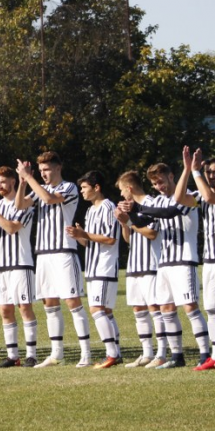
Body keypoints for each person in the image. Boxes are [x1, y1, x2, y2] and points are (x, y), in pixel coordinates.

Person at [119, 147, 210, 369]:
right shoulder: (158, 201)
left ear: (171, 176)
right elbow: (144, 223)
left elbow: (169, 211)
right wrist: (129, 216)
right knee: (167, 309)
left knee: (190, 307)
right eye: (155, 184)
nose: (159, 186)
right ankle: (177, 356)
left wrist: (138, 207)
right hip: (164, 262)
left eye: (161, 181)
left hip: (184, 260)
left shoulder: (190, 196)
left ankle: (204, 353)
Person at [16, 152, 87, 368]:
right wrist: (22, 183)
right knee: (49, 303)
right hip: (44, 254)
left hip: (64, 251)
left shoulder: (69, 187)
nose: (43, 174)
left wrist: (29, 178)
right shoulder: (39, 188)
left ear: (58, 168)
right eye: (40, 170)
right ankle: (57, 354)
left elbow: (49, 199)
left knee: (72, 301)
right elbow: (19, 205)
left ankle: (86, 353)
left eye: (46, 169)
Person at [0, 166, 37, 368]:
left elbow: (12, 228)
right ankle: (13, 356)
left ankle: (31, 354)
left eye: (3, 182)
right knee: (5, 310)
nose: (0, 186)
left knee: (24, 308)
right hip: (0, 266)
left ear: (13, 181)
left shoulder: (24, 204)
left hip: (21, 263)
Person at [66, 171, 121, 369]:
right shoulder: (90, 210)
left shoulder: (108, 207)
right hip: (93, 267)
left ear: (96, 187)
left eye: (84, 187)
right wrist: (79, 236)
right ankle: (116, 352)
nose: (81, 191)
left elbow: (110, 239)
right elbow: (90, 242)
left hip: (104, 266)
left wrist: (85, 234)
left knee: (96, 309)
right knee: (105, 311)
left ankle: (111, 354)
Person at [114, 171, 167, 368]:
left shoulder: (151, 204)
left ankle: (161, 353)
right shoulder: (131, 207)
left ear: (129, 188)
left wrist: (129, 221)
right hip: (134, 265)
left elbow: (152, 233)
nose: (121, 195)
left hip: (150, 264)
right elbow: (129, 238)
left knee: (155, 308)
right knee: (138, 309)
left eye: (122, 190)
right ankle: (147, 353)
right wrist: (124, 223)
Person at [189, 150, 215, 371]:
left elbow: (209, 198)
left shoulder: (207, 195)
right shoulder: (201, 194)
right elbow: (179, 200)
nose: (212, 175)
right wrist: (188, 170)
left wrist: (196, 171)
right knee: (211, 308)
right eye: (209, 172)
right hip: (209, 259)